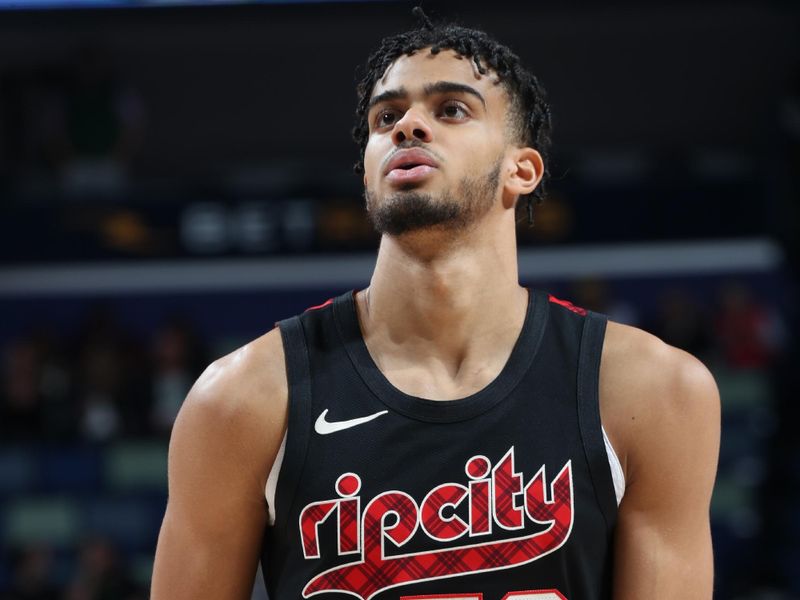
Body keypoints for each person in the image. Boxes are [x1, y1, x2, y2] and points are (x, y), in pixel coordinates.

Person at [151, 9, 720, 600]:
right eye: (387, 117)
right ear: (367, 172)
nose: (408, 128)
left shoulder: (650, 392)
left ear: (520, 170)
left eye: (451, 109)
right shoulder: (243, 400)